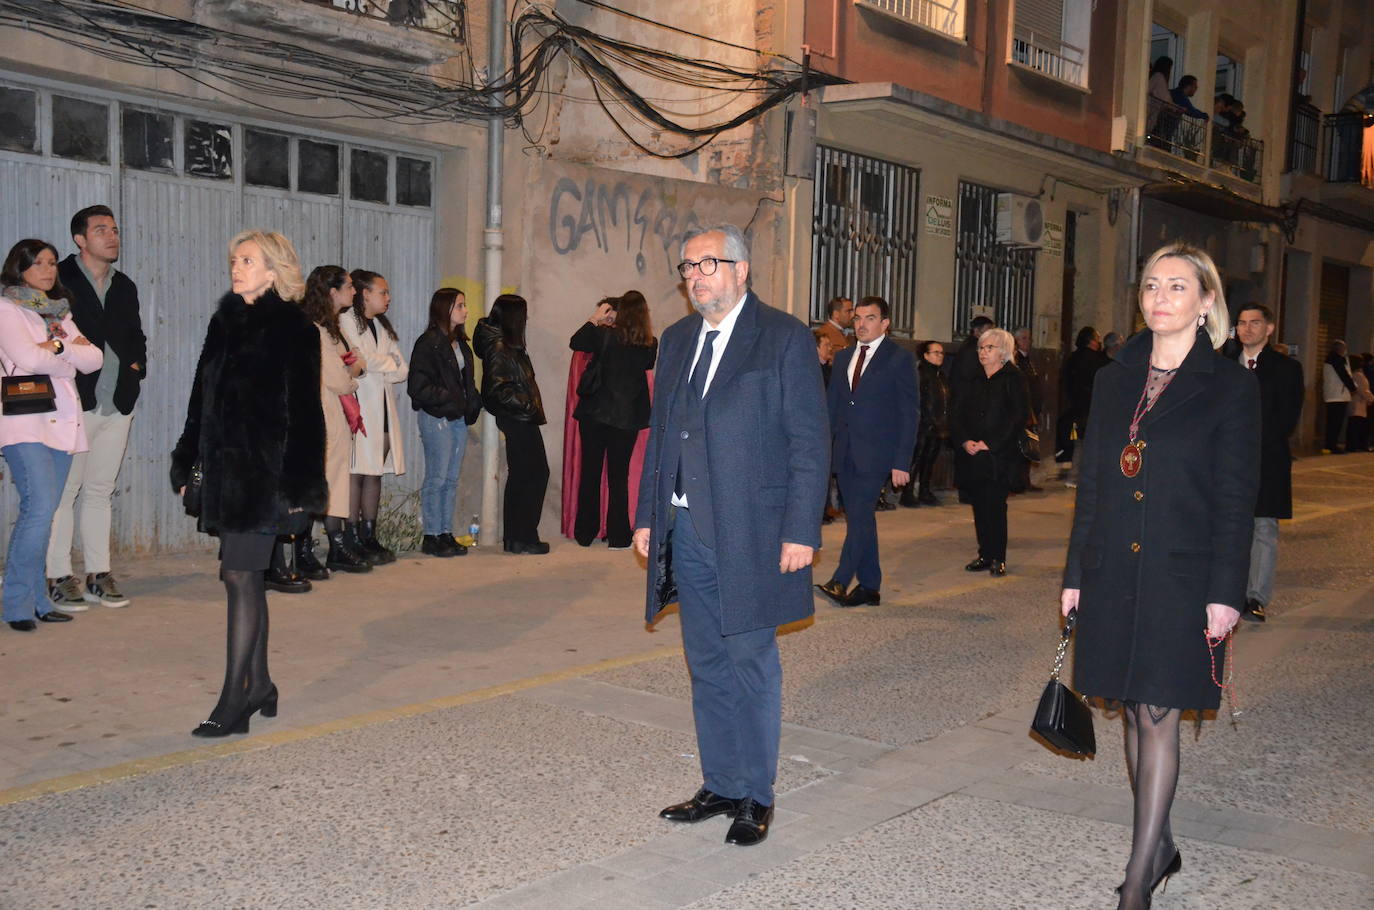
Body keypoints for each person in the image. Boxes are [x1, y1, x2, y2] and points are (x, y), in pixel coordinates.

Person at [1061, 242, 1258, 910]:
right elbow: (1092, 479)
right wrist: (1074, 571)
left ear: (1207, 302)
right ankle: (1163, 842)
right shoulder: (1114, 378)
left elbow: (1237, 499)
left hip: (1184, 573)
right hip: (1114, 564)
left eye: (1178, 286)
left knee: (1155, 712)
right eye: (1151, 285)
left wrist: (1225, 592)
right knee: (1126, 708)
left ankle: (1139, 881)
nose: (1161, 298)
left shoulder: (1231, 386)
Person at [633, 224, 827, 847]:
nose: (696, 276)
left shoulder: (784, 337)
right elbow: (660, 434)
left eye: (708, 263)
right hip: (686, 526)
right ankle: (720, 782)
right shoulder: (678, 339)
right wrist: (646, 515)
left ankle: (756, 795)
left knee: (750, 660)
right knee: (707, 662)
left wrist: (801, 529)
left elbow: (809, 441)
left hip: (753, 530)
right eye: (688, 266)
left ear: (741, 270)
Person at [171, 230, 326, 736]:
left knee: (239, 577)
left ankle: (233, 699)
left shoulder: (294, 329)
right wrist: (187, 460)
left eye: (247, 260)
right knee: (244, 576)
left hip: (266, 478)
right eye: (234, 259)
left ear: (274, 272)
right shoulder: (224, 323)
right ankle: (258, 685)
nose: (236, 267)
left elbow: (306, 415)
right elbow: (201, 399)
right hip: (224, 474)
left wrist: (301, 489)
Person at [44, 207, 146, 612]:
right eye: (101, 230)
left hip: (117, 401)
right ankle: (57, 575)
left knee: (100, 491)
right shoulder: (60, 279)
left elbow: (134, 334)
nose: (112, 236)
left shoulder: (125, 285)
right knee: (64, 492)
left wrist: (137, 368)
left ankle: (98, 574)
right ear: (80, 240)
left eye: (116, 230)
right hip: (74, 400)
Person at [1, 239, 103, 631]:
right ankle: (15, 604)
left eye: (52, 263)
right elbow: (26, 359)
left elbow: (93, 358)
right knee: (39, 510)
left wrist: (55, 350)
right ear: (19, 267)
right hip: (24, 422)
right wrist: (65, 351)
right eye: (39, 263)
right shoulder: (7, 308)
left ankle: (39, 599)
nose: (48, 269)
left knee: (45, 515)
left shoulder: (59, 311)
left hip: (61, 421)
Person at [815, 296, 918, 607]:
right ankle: (870, 586)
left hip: (877, 454)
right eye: (857, 318)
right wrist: (822, 450)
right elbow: (833, 407)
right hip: (845, 451)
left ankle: (840, 579)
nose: (861, 324)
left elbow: (909, 413)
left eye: (869, 318)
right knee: (860, 517)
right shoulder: (844, 357)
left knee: (859, 516)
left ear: (884, 323)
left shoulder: (899, 359)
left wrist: (902, 461)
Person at [569, 290, 658, 549]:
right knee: (618, 477)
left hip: (595, 414)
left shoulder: (603, 335)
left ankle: (585, 532)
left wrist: (596, 318)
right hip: (626, 417)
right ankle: (619, 535)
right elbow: (646, 366)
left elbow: (576, 341)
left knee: (591, 472)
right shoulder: (650, 343)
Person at [1233, 304, 1304, 624]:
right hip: (1226, 462)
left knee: (1263, 528)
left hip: (1267, 460)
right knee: (1228, 527)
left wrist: (1250, 445)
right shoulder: (1223, 367)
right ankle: (1227, 592)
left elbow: (1287, 418)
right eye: (1242, 323)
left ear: (1269, 328)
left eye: (1255, 323)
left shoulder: (1287, 369)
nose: (1247, 329)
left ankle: (1256, 597)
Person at [299, 266, 370, 574]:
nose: (353, 291)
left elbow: (350, 361)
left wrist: (351, 366)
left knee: (333, 484)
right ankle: (303, 550)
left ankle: (335, 546)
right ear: (332, 292)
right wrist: (353, 372)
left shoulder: (330, 328)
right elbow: (340, 380)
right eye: (349, 286)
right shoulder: (313, 328)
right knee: (319, 484)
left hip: (333, 415)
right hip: (322, 415)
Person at [408, 288, 482, 557]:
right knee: (437, 477)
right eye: (460, 305)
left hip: (457, 418)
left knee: (451, 479)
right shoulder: (428, 343)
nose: (466, 310)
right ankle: (431, 534)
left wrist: (472, 401)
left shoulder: (461, 343)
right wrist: (449, 399)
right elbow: (417, 386)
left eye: (464, 305)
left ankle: (445, 532)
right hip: (436, 416)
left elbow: (466, 383)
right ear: (445, 309)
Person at [474, 294, 549, 555]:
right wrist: (527, 404)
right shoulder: (499, 347)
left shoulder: (506, 345)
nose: (526, 320)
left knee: (525, 475)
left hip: (520, 416)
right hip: (518, 416)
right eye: (523, 315)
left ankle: (518, 537)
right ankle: (523, 535)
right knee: (533, 474)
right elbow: (496, 389)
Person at [341, 270, 408, 563]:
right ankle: (350, 535)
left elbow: (402, 369)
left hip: (381, 407)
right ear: (364, 293)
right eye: (383, 292)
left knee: (374, 473)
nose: (388, 297)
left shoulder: (381, 326)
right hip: (359, 407)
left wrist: (375, 362)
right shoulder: (346, 321)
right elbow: (357, 362)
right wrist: (384, 362)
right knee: (356, 472)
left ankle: (369, 534)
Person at [950, 328, 1027, 577]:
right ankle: (984, 554)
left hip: (999, 455)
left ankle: (998, 557)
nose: (983, 352)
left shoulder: (1012, 378)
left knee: (995, 506)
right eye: (981, 348)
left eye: (989, 348)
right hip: (973, 453)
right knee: (979, 506)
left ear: (1003, 351)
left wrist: (991, 443)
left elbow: (1018, 417)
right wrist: (964, 441)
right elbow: (957, 413)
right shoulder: (973, 379)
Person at [1056, 326, 1109, 486]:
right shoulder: (1095, 360)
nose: (1099, 342)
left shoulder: (1072, 358)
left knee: (1080, 442)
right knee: (1084, 443)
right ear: (1092, 341)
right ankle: (1076, 477)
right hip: (1089, 407)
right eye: (1097, 339)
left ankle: (1076, 476)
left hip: (1074, 406)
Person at [905, 340, 949, 507]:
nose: (940, 356)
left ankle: (924, 491)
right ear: (925, 355)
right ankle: (907, 493)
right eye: (936, 352)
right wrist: (926, 419)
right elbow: (919, 400)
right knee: (916, 460)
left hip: (938, 425)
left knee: (929, 460)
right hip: (923, 425)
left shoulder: (941, 375)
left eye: (941, 353)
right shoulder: (921, 374)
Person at [1012, 327, 1044, 493]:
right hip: (1022, 412)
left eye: (1029, 338)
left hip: (1031, 412)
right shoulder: (1016, 362)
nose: (1028, 341)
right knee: (1018, 448)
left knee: (1028, 447)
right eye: (1024, 338)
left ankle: (1025, 480)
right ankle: (1016, 481)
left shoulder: (1028, 361)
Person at [1321, 339, 1355, 453]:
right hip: (1337, 396)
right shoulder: (1336, 360)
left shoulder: (1332, 359)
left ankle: (1330, 444)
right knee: (1335, 423)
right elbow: (1344, 375)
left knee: (1333, 422)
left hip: (1335, 395)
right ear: (1340, 349)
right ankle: (1331, 445)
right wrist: (1353, 388)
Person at [1348, 355, 1374, 452]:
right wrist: (1371, 399)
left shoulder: (1355, 374)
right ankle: (1353, 445)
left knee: (1355, 425)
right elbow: (1363, 390)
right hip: (1358, 402)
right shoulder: (1358, 375)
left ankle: (1354, 445)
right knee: (1356, 425)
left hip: (1357, 402)